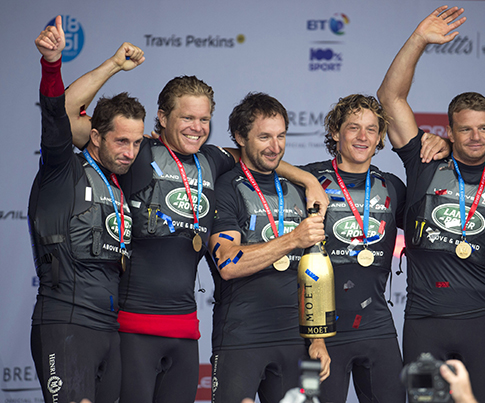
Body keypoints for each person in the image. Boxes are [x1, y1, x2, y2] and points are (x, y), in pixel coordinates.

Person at [65, 54, 328, 403]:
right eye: (187, 117)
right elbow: (67, 117)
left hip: (186, 333)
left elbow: (257, 155)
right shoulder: (137, 150)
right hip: (133, 328)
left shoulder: (212, 159)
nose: (197, 127)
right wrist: (113, 65)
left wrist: (307, 178)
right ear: (162, 118)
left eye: (204, 119)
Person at [377, 6, 485, 403]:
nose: (476, 137)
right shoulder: (425, 160)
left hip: (480, 324)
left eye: (483, 128)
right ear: (449, 130)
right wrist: (419, 40)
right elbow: (389, 98)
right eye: (465, 129)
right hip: (424, 322)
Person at [30, 17, 145, 403]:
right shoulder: (63, 167)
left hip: (108, 330)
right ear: (94, 135)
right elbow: (57, 112)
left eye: (135, 143)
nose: (130, 152)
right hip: (66, 322)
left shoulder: (119, 180)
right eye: (121, 141)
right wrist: (53, 65)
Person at [209, 92, 330, 403]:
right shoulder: (225, 186)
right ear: (239, 136)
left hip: (296, 341)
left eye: (281, 136)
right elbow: (228, 264)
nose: (275, 147)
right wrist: (292, 239)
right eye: (264, 137)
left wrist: (318, 340)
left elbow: (313, 273)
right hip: (241, 338)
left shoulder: (298, 190)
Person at [299, 94, 412, 403]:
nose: (363, 137)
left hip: (376, 326)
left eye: (371, 130)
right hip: (321, 331)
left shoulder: (392, 186)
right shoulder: (309, 179)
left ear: (379, 139)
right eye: (353, 128)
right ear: (335, 132)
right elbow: (261, 162)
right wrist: (303, 179)